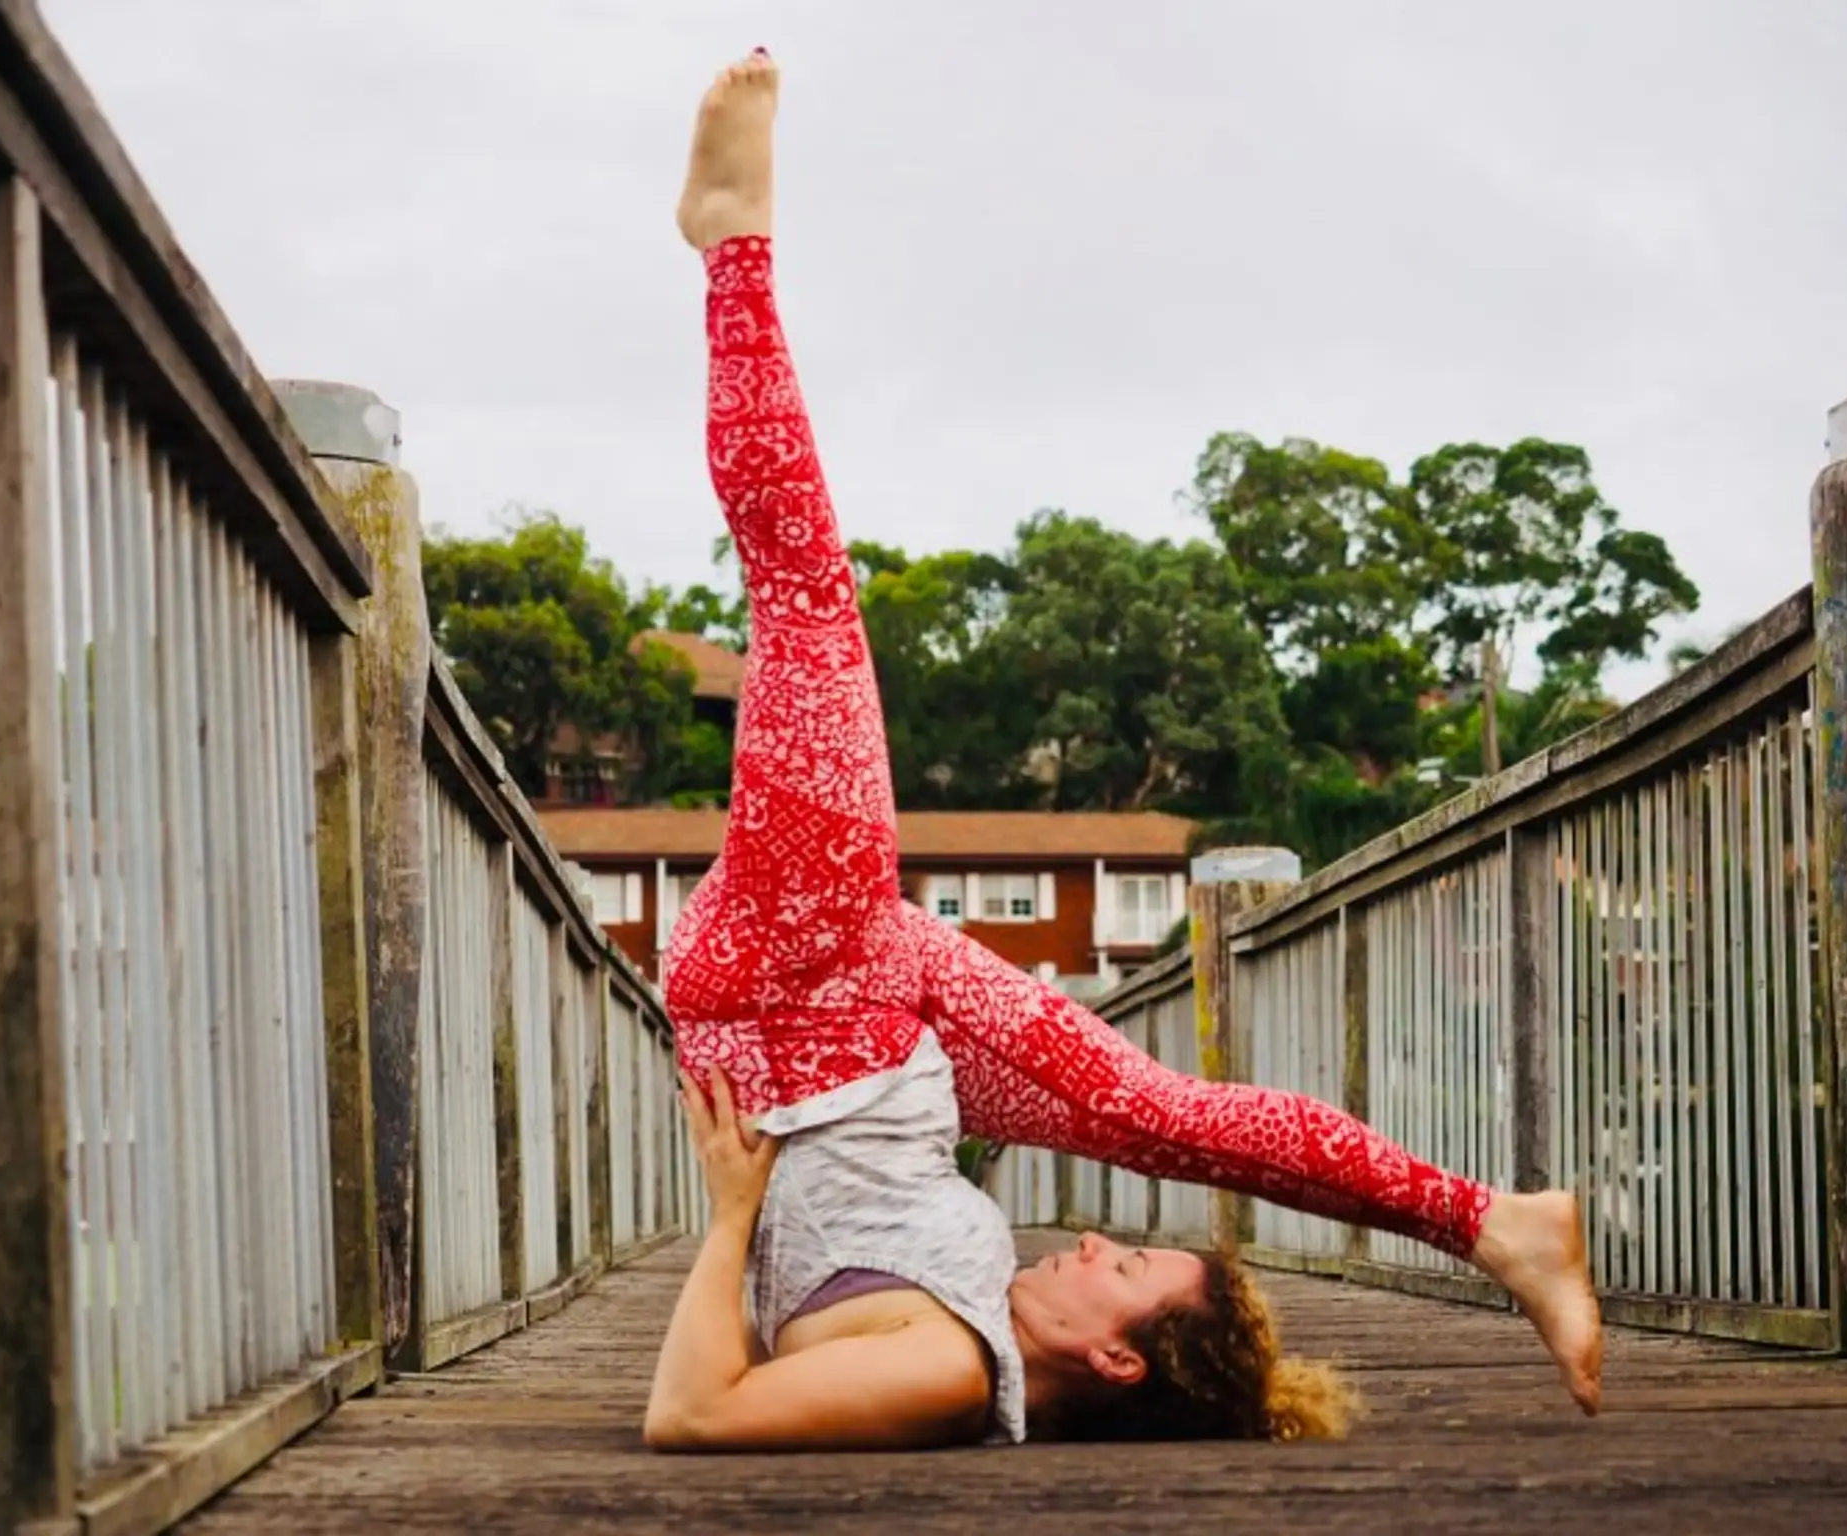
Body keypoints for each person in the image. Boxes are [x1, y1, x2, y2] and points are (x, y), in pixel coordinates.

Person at [642, 49, 1601, 1455]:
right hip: (886, 1025)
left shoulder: (950, 1368)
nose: (1095, 1240)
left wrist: (732, 1219)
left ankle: (733, 249)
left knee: (807, 595)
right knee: (1169, 1117)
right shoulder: (984, 1324)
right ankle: (1498, 1223)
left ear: (1113, 1355)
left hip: (810, 1001)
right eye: (1130, 1252)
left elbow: (690, 1414)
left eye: (1126, 1268)